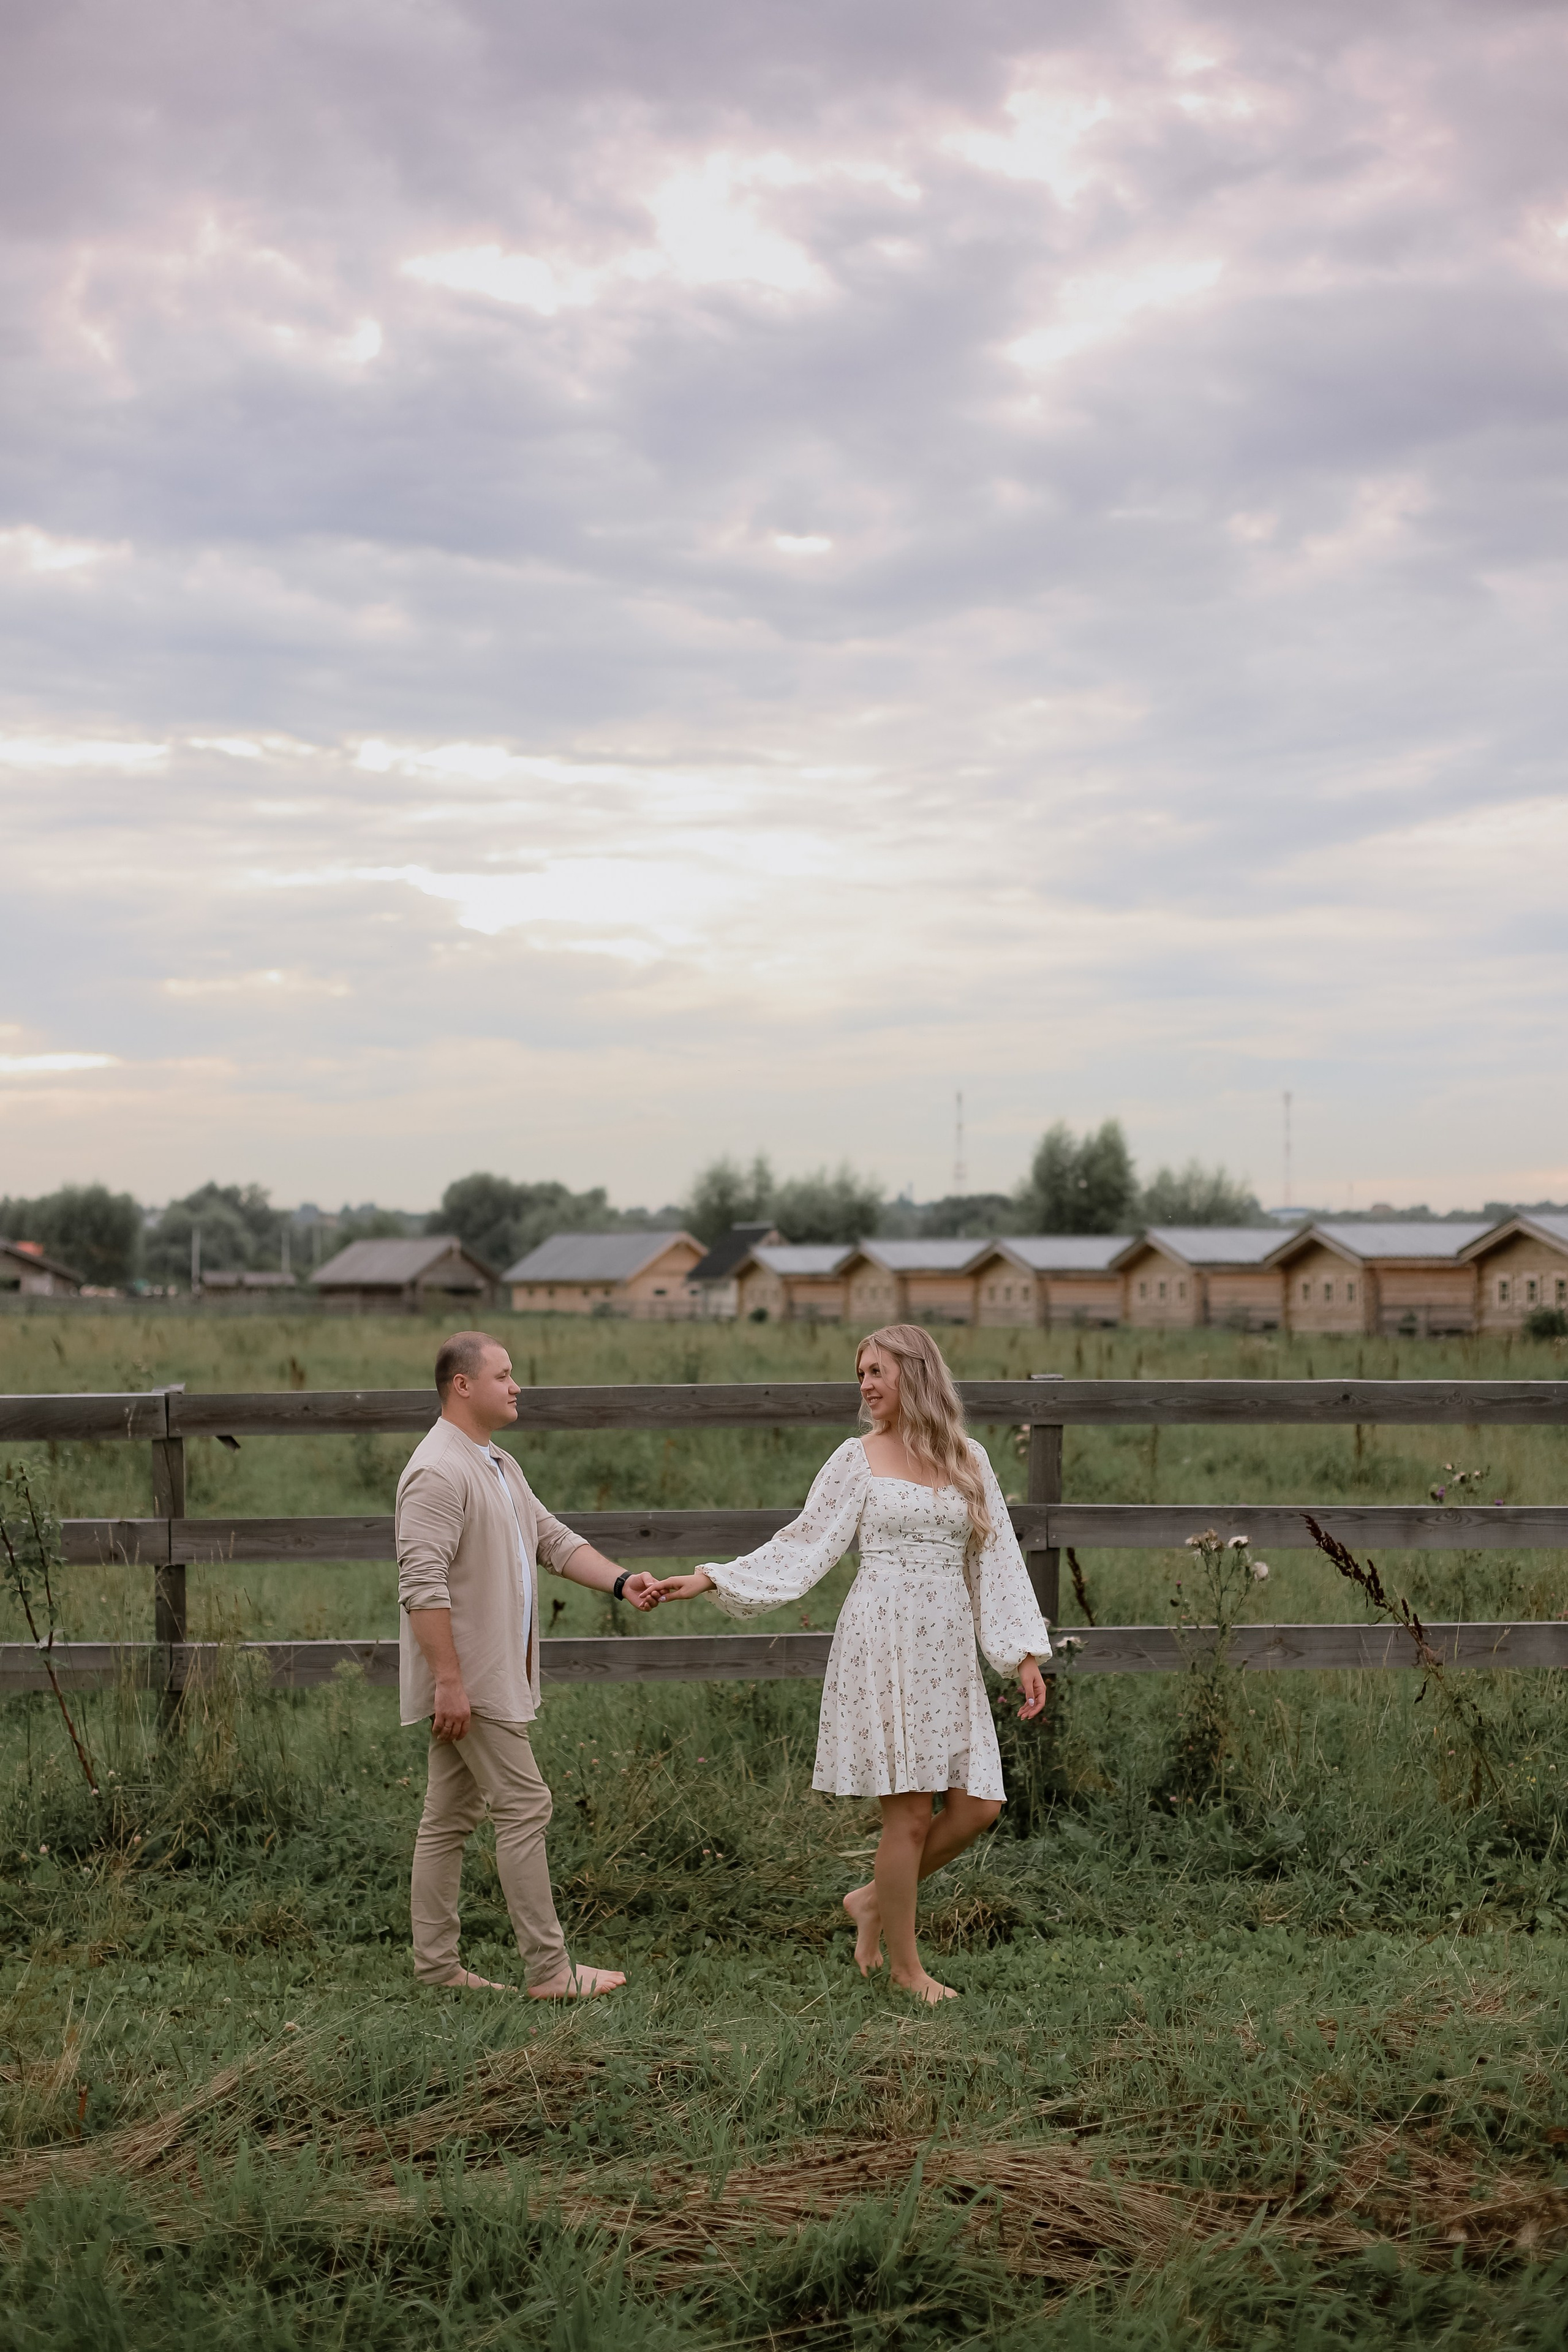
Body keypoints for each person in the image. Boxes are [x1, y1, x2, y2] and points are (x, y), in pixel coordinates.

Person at [657, 1324, 1050, 2003]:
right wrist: (710, 1578)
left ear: (917, 1374)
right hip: (883, 1639)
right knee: (909, 1816)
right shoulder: (856, 1459)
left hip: (947, 1644)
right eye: (859, 1373)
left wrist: (1020, 1653)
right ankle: (905, 1969)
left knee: (979, 1805)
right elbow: (803, 1544)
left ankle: (871, 1900)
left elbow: (996, 1557)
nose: (865, 1385)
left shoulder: (968, 1458)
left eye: (876, 1371)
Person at [397, 1329, 664, 1996]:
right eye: (503, 1376)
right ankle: (548, 1970)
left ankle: (436, 1970)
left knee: (449, 1817)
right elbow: (420, 1585)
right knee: (524, 1804)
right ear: (463, 1386)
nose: (517, 1387)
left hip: (483, 1676)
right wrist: (450, 1682)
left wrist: (619, 1580)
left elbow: (550, 1538)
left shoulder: (494, 1462)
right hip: (471, 1677)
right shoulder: (437, 1471)